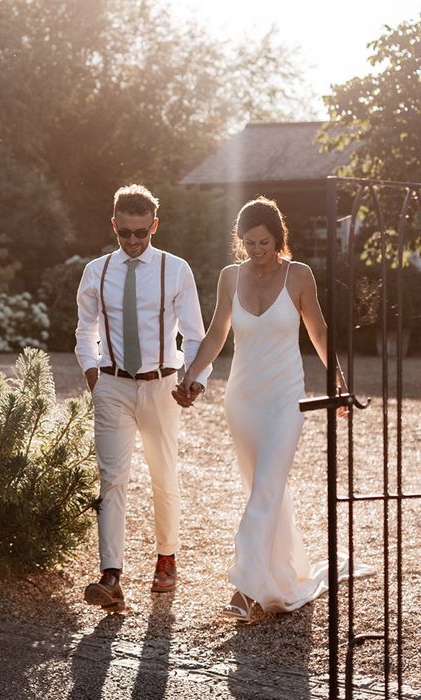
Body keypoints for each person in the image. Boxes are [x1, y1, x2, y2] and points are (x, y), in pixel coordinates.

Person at [174, 196, 371, 622]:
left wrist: (336, 379)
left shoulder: (298, 275)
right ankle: (278, 576)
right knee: (264, 491)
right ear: (240, 241)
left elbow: (318, 330)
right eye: (248, 243)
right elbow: (214, 336)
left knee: (266, 486)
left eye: (264, 242)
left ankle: (245, 590)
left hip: (286, 397)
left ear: (277, 238)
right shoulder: (230, 277)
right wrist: (191, 375)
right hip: (242, 399)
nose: (256, 250)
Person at [75, 184, 210, 612]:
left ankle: (166, 558)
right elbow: (85, 331)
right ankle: (110, 574)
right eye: (125, 233)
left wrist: (194, 379)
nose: (133, 242)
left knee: (162, 474)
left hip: (162, 384)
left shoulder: (176, 270)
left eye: (141, 233)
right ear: (114, 225)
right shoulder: (96, 271)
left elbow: (195, 334)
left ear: (154, 225)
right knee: (111, 478)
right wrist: (95, 377)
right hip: (112, 384)